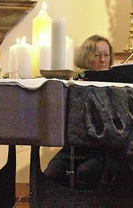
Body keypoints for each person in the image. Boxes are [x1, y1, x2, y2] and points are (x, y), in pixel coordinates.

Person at [44, 34, 114, 189]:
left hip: (100, 150)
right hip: (72, 149)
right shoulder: (73, 83)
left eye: (106, 55)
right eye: (97, 55)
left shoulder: (115, 85)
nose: (103, 60)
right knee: (51, 173)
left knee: (86, 172)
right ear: (86, 57)